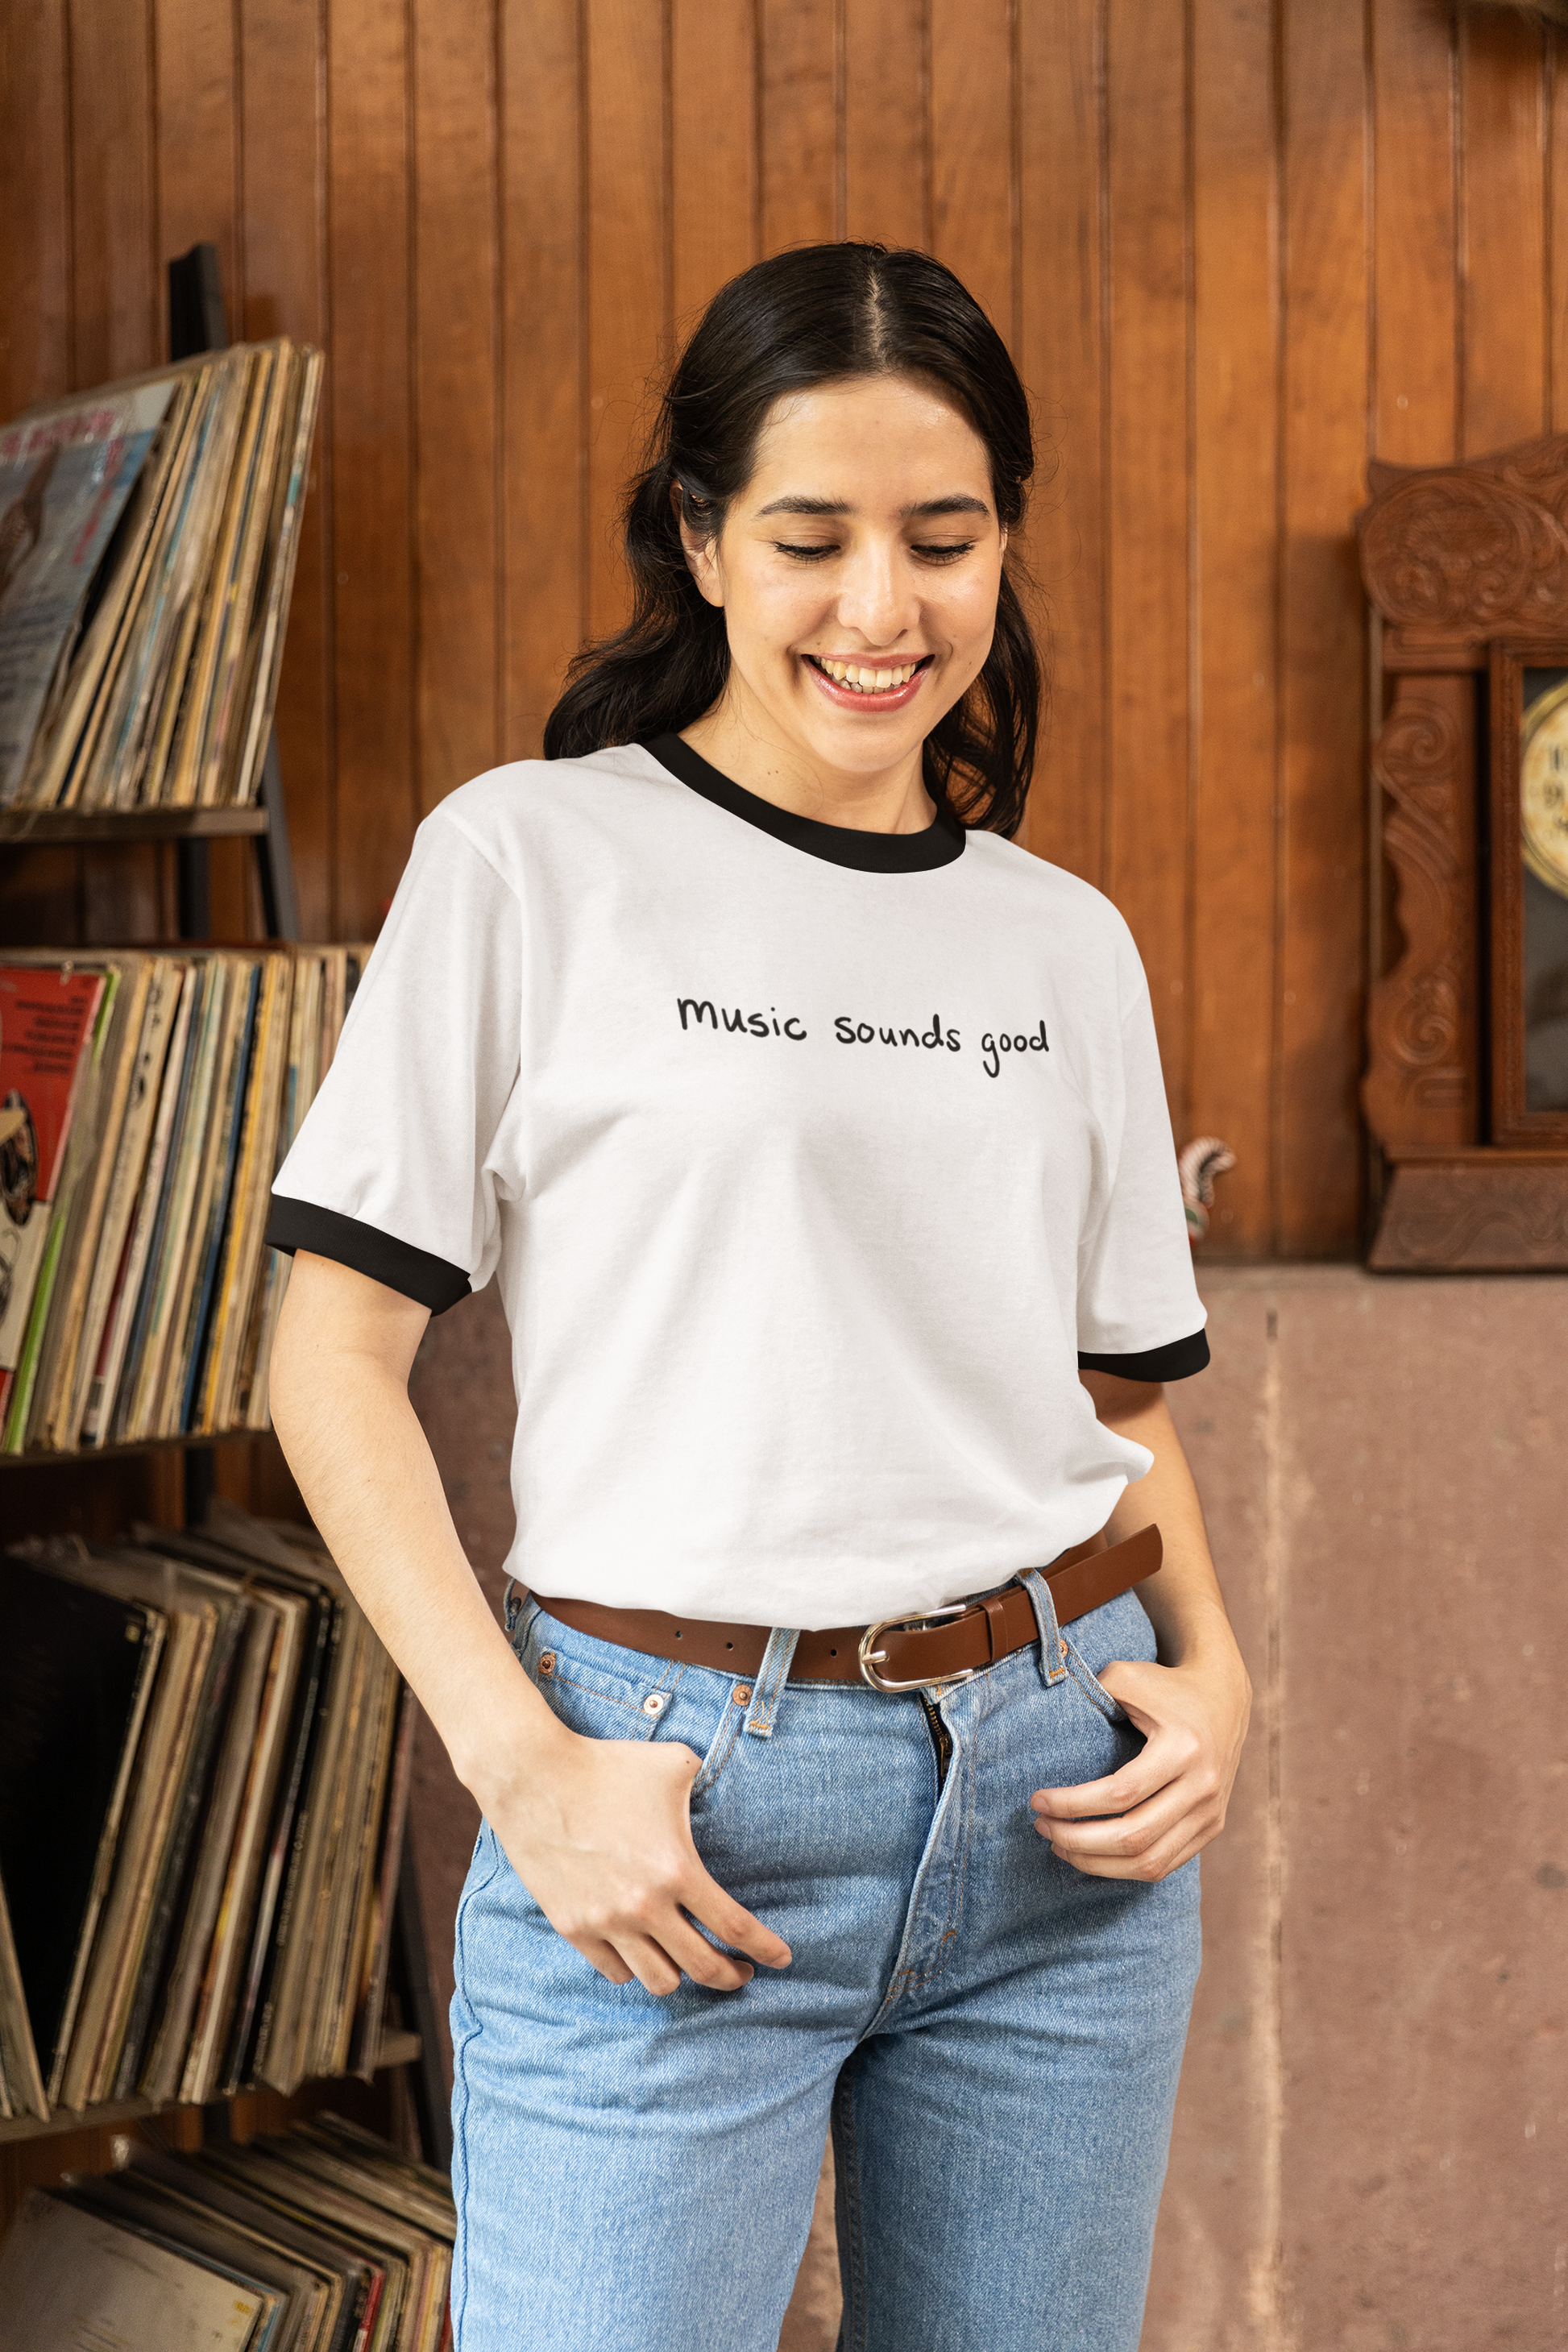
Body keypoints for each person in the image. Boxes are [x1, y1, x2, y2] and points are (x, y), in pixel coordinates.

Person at [265, 242, 1251, 2352]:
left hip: (1063, 1819)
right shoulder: (527, 861)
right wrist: (525, 1768)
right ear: (704, 541)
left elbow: (1118, 1403)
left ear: (1003, 546)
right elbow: (330, 1355)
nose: (883, 609)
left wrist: (1224, 1676)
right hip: (673, 1800)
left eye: (943, 539)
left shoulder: (1064, 942)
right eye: (813, 540)